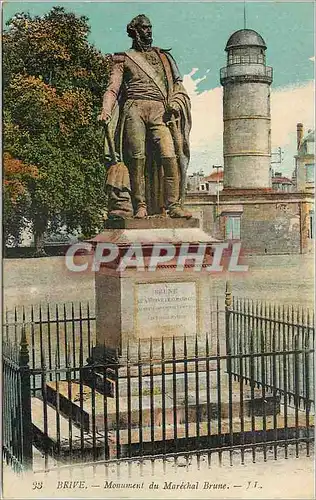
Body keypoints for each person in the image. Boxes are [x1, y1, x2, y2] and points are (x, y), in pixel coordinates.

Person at [98, 14, 192, 219]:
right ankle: (140, 205)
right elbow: (113, 88)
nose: (148, 31)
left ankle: (173, 205)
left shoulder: (164, 58)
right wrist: (106, 109)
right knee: (137, 158)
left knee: (170, 155)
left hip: (160, 112)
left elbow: (177, 86)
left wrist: (175, 102)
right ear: (134, 31)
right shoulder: (123, 58)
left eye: (150, 28)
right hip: (134, 109)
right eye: (144, 28)